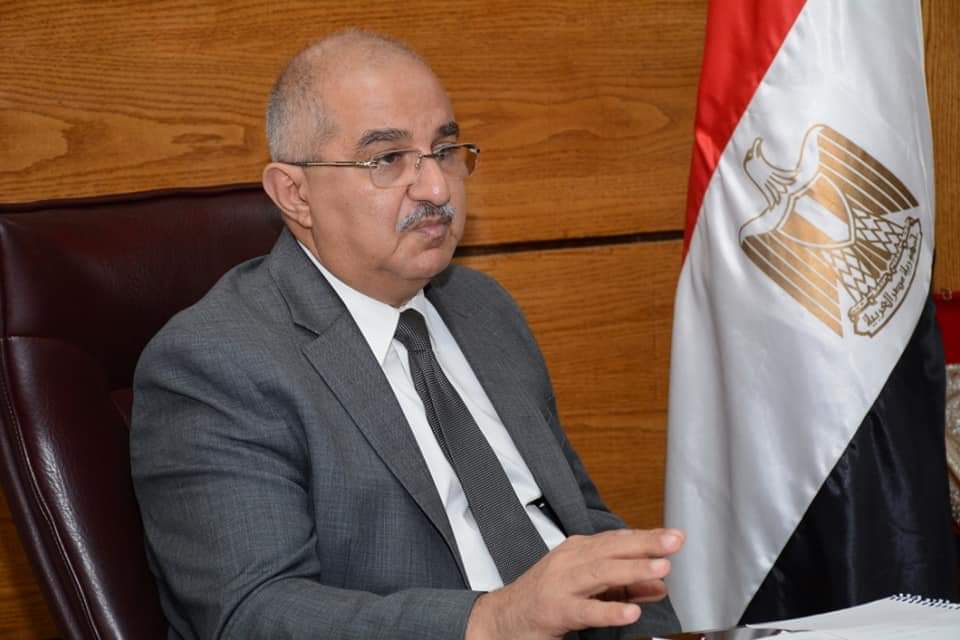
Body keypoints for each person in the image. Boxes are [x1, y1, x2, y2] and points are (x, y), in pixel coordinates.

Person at [131, 29, 683, 639]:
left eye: (444, 151)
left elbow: (580, 520)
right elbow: (252, 615)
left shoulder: (482, 308)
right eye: (387, 159)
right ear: (295, 194)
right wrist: (496, 621)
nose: (437, 189)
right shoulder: (216, 362)